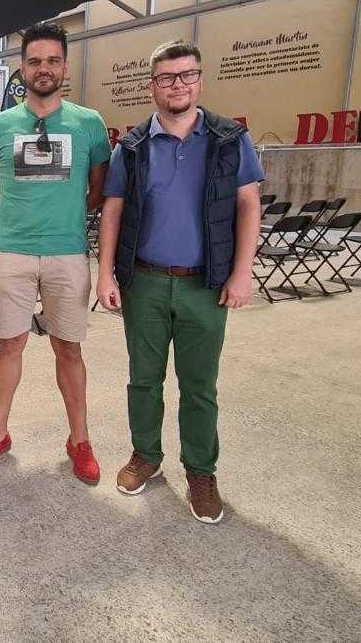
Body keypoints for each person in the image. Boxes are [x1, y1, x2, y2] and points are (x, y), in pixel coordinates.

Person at [96, 39, 263, 524]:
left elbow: (248, 204)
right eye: (167, 77)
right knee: (143, 380)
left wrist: (242, 271)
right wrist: (105, 273)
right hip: (144, 283)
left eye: (188, 75)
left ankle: (201, 472)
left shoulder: (230, 141)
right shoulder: (131, 147)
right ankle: (146, 456)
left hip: (205, 285)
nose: (178, 85)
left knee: (199, 386)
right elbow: (113, 210)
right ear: (153, 86)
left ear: (200, 80)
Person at [0, 22, 111, 482]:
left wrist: (60, 215)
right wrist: (19, 218)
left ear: (65, 67)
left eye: (52, 60)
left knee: (68, 348)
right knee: (9, 345)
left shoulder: (89, 124)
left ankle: (79, 440)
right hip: (12, 252)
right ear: (23, 68)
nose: (43, 68)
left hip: (67, 254)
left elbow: (98, 191)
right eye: (34, 61)